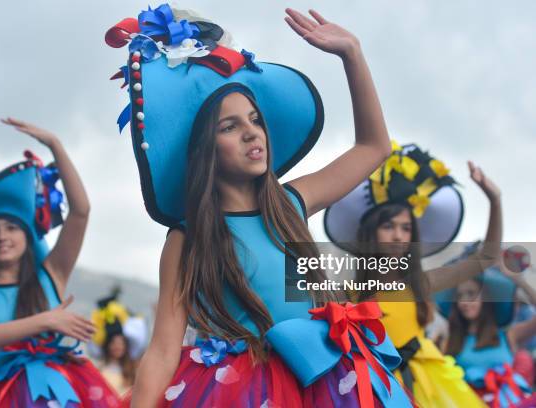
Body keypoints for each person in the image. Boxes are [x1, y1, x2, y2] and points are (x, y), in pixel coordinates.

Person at [106, 3, 415, 407]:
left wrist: (352, 54)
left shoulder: (291, 203)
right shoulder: (186, 238)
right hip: (239, 391)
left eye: (255, 119)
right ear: (206, 150)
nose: (253, 134)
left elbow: (374, 147)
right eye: (231, 127)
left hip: (323, 379)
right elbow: (164, 350)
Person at [0, 119, 121, 407]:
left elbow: (80, 212)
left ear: (28, 236)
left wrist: (56, 145)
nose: (1, 236)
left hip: (55, 386)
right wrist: (45, 320)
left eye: (11, 227)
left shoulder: (51, 273)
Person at [324, 141, 502, 407]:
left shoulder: (421, 283)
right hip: (376, 389)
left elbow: (486, 257)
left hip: (428, 387)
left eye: (406, 228)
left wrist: (495, 199)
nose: (398, 236)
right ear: (370, 233)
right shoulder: (346, 294)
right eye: (389, 226)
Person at [438, 248, 536, 407]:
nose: (464, 301)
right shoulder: (449, 340)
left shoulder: (507, 335)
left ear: (486, 298)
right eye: (460, 296)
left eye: (471, 294)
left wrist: (519, 281)